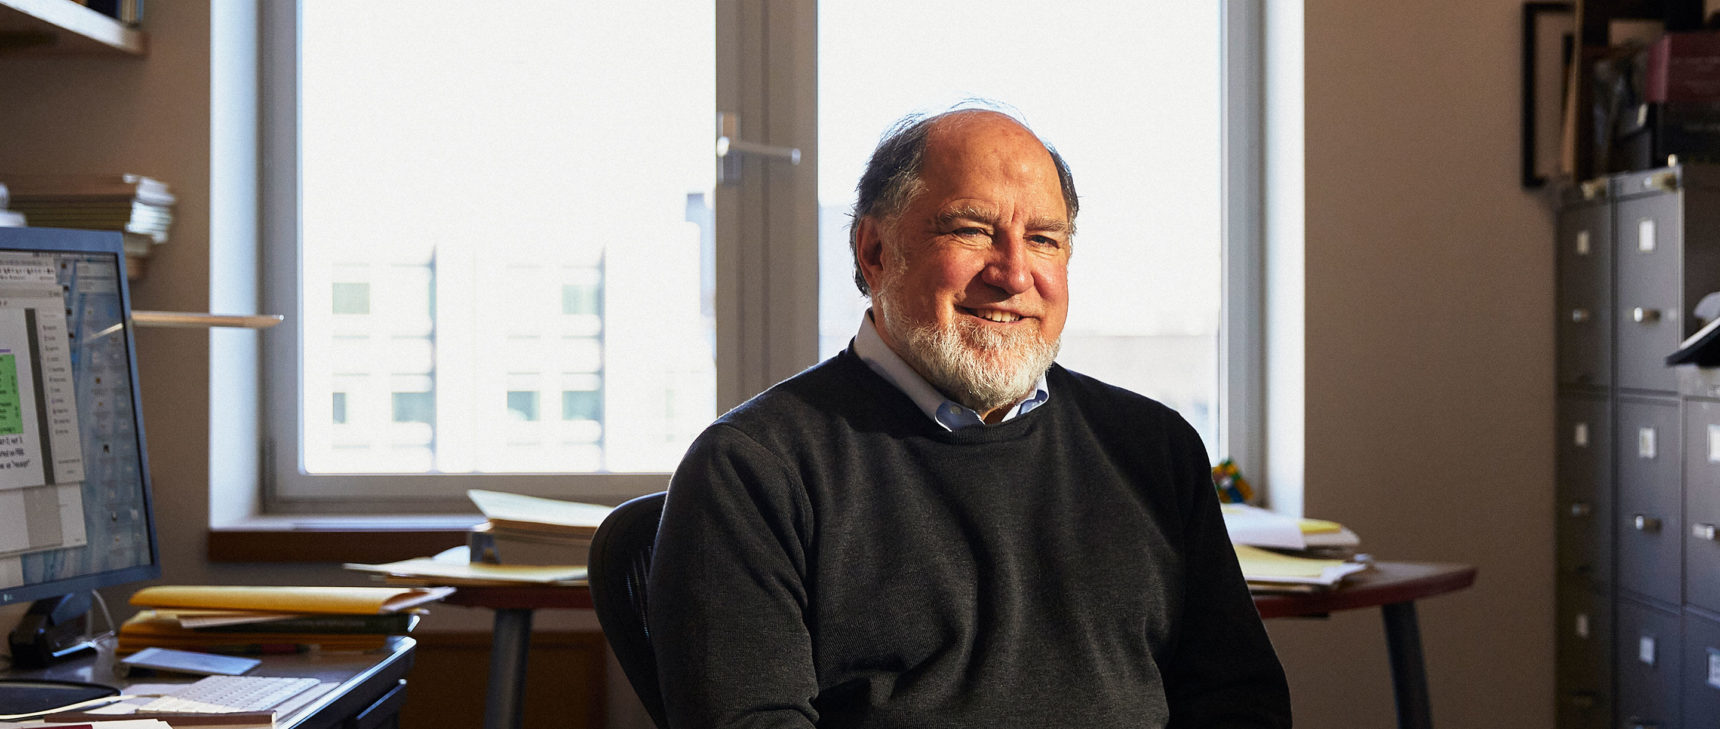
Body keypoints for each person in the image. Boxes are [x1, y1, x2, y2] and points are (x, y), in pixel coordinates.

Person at [648, 106, 1292, 728]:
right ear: (874, 252)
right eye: (971, 230)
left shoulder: (1153, 449)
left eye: (1043, 239)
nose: (1014, 273)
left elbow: (1238, 703)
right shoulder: (751, 467)